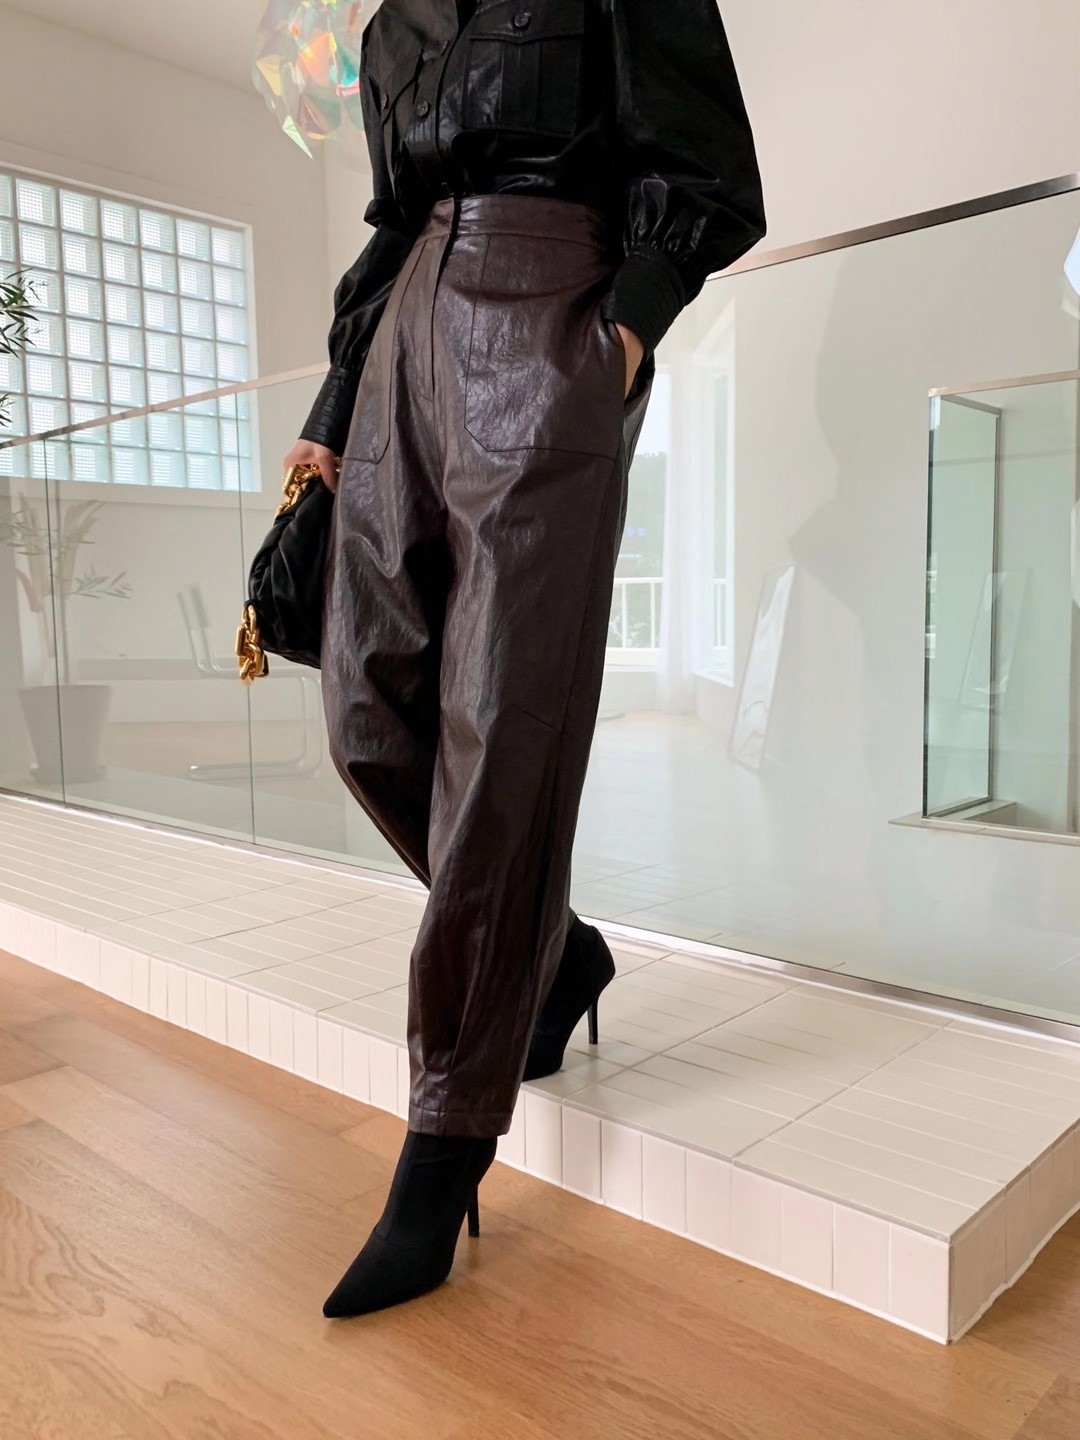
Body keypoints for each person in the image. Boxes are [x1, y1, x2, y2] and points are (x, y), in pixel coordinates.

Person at [285, 0, 765, 1319]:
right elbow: (392, 224)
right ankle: (553, 958)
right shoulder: (391, 29)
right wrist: (335, 409)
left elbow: (708, 166)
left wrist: (617, 340)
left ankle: (444, 1138)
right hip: (403, 339)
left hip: (547, 306)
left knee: (503, 718)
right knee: (367, 706)